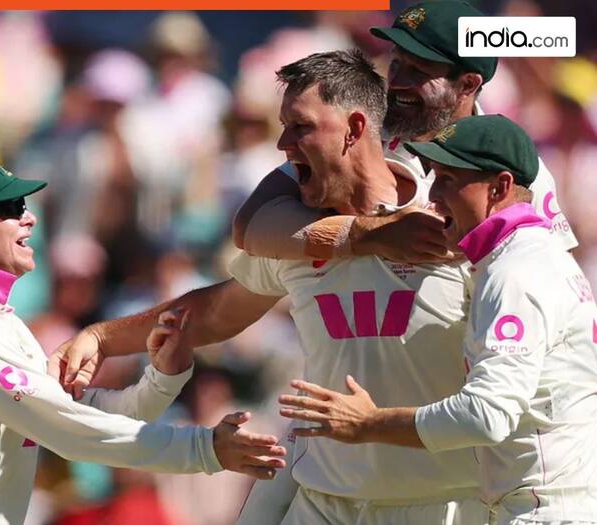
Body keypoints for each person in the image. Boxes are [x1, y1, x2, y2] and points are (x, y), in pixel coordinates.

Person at [50, 50, 488, 525]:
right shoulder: (298, 233)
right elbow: (215, 310)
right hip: (325, 500)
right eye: (283, 126)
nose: (283, 144)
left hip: (439, 503)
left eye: (301, 127)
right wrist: (102, 338)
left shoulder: (451, 225)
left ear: (355, 129)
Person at [0, 158, 286, 525]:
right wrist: (204, 449)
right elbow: (70, 431)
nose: (29, 217)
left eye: (22, 205)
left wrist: (161, 380)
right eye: (9, 208)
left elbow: (81, 414)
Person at [278, 115, 597, 525]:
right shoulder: (527, 256)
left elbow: (486, 415)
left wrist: (369, 423)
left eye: (448, 180)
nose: (433, 194)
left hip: (546, 511)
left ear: (499, 187)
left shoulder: (515, 271)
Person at [232, 0, 577, 263]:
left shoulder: (514, 162)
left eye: (418, 71)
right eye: (396, 64)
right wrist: (372, 235)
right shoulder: (363, 133)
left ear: (468, 84)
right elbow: (249, 225)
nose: (396, 82)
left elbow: (554, 273)